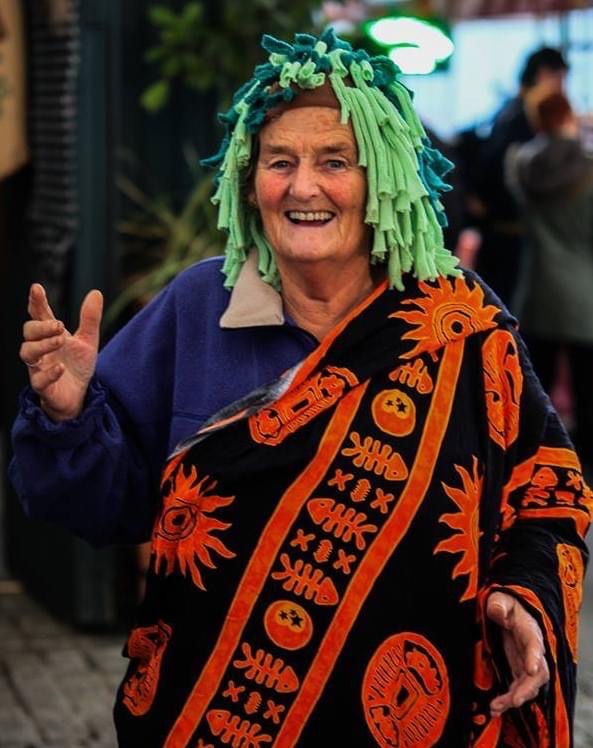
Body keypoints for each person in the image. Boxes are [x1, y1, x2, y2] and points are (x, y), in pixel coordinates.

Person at [9, 30, 591, 746]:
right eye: (279, 161)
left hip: (416, 722)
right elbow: (101, 509)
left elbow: (548, 491)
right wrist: (67, 415)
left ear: (383, 179)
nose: (303, 187)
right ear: (248, 179)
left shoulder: (460, 324)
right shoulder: (198, 307)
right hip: (214, 718)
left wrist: (525, 593)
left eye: (334, 161)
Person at [506, 90, 593, 479]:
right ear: (569, 114)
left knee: (535, 390)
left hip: (537, 287)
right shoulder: (588, 167)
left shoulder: (521, 164)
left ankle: (537, 464)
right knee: (587, 391)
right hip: (585, 293)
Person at [475, 46, 569, 306]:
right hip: (510, 229)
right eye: (560, 78)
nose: (561, 87)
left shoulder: (509, 109)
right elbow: (504, 171)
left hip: (500, 226)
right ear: (544, 74)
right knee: (508, 304)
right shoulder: (523, 114)